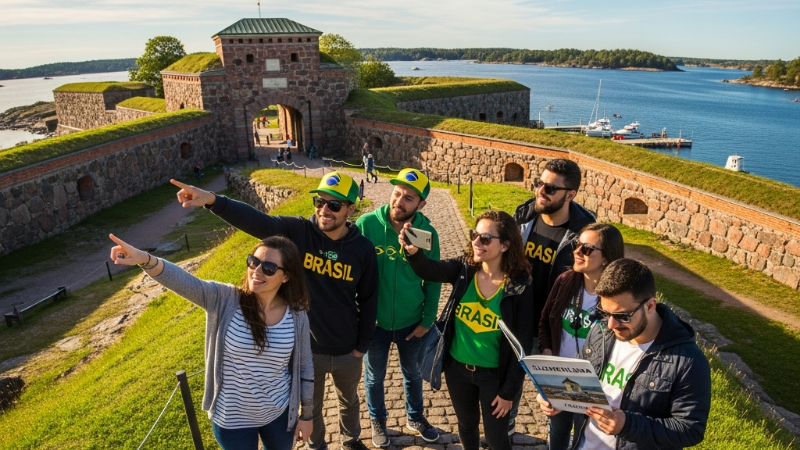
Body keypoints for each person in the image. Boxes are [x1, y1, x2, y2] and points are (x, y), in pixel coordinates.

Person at [170, 172, 378, 450]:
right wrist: (212, 200)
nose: (323, 210)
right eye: (319, 202)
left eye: (334, 205)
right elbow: (258, 222)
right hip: (308, 351)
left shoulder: (362, 249)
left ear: (351, 209)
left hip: (347, 349)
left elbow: (369, 298)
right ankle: (317, 446)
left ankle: (351, 440)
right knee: (311, 407)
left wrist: (361, 347)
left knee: (349, 400)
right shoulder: (298, 232)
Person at [108, 234, 313, 450]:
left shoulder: (296, 315)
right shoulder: (224, 299)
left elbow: (305, 366)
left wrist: (307, 415)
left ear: (286, 277)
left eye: (269, 268)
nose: (257, 271)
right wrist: (144, 258)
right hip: (232, 419)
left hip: (278, 413)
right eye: (253, 261)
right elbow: (184, 282)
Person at [537, 259, 712, 450]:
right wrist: (556, 396)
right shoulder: (600, 331)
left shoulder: (688, 361)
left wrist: (627, 425)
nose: (611, 324)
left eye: (623, 316)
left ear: (650, 306)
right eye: (604, 313)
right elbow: (578, 379)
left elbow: (690, 429)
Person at [400, 210, 534, 450]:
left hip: (494, 376)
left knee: (495, 438)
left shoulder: (518, 287)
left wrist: (508, 392)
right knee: (466, 425)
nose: (476, 242)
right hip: (457, 369)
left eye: (485, 238)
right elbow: (431, 270)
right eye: (475, 235)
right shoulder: (465, 269)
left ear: (505, 245)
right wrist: (413, 253)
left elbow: (521, 346)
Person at [508, 158, 595, 434]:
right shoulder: (523, 216)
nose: (540, 191)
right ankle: (506, 431)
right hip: (516, 321)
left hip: (554, 331)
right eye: (539, 183)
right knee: (507, 384)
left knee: (556, 402)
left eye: (550, 188)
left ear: (571, 194)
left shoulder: (584, 235)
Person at [356, 169, 441, 447]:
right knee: (374, 376)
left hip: (411, 321)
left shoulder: (426, 233)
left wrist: (428, 319)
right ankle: (377, 420)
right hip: (374, 323)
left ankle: (415, 417)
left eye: (409, 197)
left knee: (413, 373)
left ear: (421, 204)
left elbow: (433, 278)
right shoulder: (366, 225)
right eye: (397, 193)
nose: (399, 201)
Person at [537, 224, 624, 450]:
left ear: (606, 258)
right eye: (577, 245)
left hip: (593, 385)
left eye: (586, 248)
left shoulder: (617, 298)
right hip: (560, 377)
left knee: (585, 436)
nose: (576, 252)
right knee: (557, 431)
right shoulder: (565, 281)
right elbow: (546, 322)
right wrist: (548, 357)